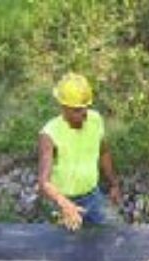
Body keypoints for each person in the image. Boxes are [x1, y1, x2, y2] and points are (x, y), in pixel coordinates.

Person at [38, 73, 121, 231]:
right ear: (63, 107)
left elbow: (104, 152)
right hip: (63, 200)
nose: (83, 114)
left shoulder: (95, 120)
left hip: (92, 197)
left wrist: (114, 184)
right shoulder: (49, 134)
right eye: (77, 110)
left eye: (85, 108)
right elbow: (44, 182)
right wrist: (65, 204)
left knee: (114, 234)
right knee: (67, 248)